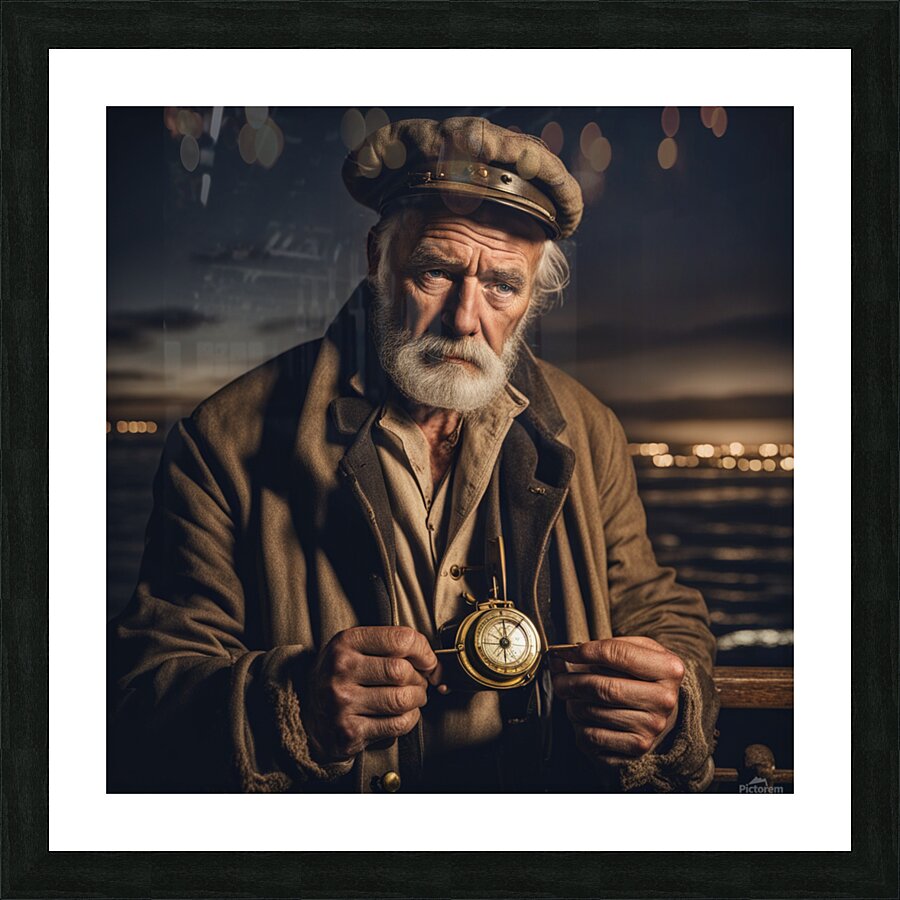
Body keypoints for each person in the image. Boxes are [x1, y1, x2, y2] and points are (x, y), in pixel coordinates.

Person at [109, 116, 720, 793]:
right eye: (436, 271)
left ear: (531, 300)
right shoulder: (222, 439)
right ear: (378, 260)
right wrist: (295, 705)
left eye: (502, 286)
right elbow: (145, 689)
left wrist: (672, 694)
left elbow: (655, 604)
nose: (465, 317)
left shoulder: (587, 428)